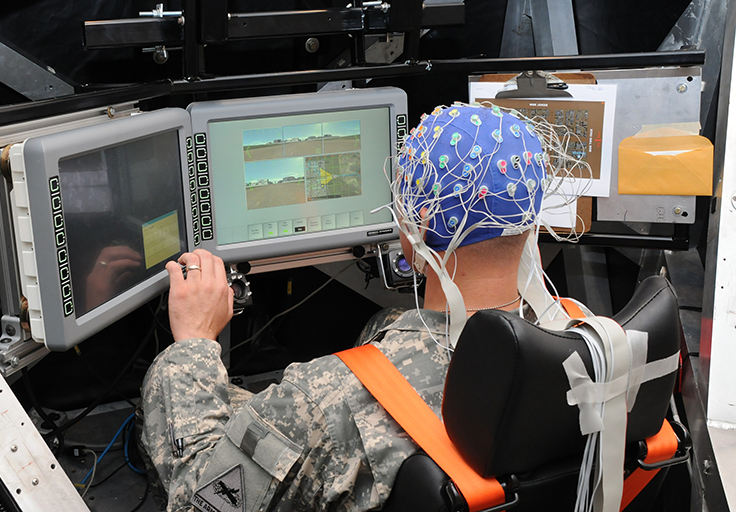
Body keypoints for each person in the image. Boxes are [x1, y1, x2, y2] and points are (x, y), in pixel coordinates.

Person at [139, 103, 579, 512]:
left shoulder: (324, 400)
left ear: (418, 227)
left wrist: (193, 343)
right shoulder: (589, 341)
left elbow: (200, 500)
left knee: (171, 388)